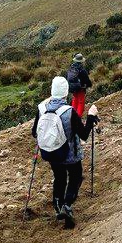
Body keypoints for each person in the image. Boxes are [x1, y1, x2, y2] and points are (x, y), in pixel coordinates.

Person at [32, 75, 97, 228]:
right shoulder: (69, 112)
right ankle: (67, 205)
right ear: (66, 92)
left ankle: (57, 204)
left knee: (59, 178)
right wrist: (91, 116)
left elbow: (34, 132)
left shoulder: (41, 109)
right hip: (70, 155)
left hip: (51, 153)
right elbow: (84, 135)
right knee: (75, 176)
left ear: (52, 91)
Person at [66, 53, 92, 117]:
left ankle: (72, 115)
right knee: (81, 102)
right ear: (81, 61)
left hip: (72, 87)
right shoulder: (82, 70)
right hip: (80, 88)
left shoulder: (71, 68)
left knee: (75, 99)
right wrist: (89, 85)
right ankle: (77, 118)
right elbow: (86, 80)